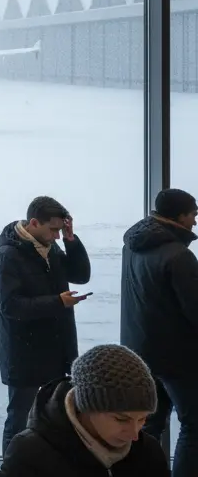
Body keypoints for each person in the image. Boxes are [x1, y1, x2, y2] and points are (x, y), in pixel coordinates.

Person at [0, 196, 91, 455]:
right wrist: (57, 301)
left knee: (56, 419)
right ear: (34, 223)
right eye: (54, 229)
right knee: (19, 419)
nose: (57, 235)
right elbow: (10, 306)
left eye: (61, 230)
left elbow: (81, 275)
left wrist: (72, 240)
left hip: (57, 350)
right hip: (24, 352)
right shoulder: (7, 256)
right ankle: (12, 471)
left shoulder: (52, 249)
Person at [120, 188, 198, 477]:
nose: (195, 221)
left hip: (139, 353)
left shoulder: (132, 247)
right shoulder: (179, 256)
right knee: (193, 425)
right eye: (193, 214)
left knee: (148, 425)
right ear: (179, 215)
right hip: (178, 358)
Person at [0, 344, 170, 476]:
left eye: (142, 420)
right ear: (86, 406)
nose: (134, 434)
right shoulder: (28, 455)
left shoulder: (148, 451)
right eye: (121, 419)